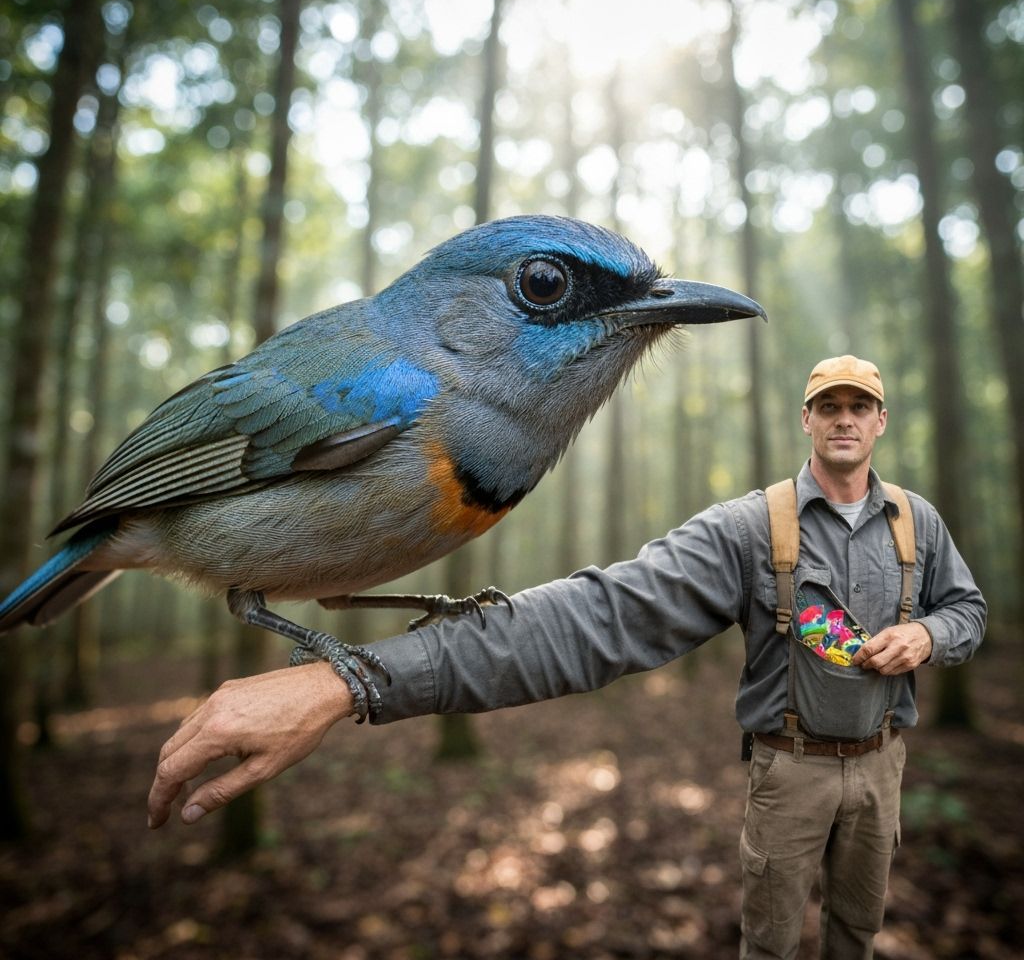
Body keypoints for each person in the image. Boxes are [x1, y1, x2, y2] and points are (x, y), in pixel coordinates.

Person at [148, 355, 986, 960]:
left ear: (880, 420)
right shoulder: (748, 527)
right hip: (788, 769)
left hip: (883, 767)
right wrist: (346, 681)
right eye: (828, 405)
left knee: (858, 932)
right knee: (769, 941)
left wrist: (931, 635)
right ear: (806, 419)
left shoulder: (922, 523)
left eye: (860, 406)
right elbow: (594, 622)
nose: (845, 419)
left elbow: (969, 611)